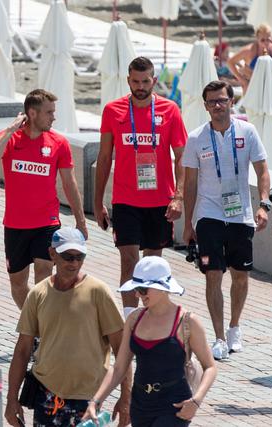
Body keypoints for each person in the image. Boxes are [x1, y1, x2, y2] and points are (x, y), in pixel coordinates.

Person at [5, 227, 130, 426]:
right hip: (46, 396)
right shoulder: (38, 293)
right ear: (52, 254)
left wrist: (126, 398)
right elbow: (22, 350)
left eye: (79, 257)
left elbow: (122, 349)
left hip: (88, 399)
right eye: (68, 257)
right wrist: (12, 399)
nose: (74, 263)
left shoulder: (98, 292)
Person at [182, 80, 271, 360]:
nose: (217, 106)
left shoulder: (248, 131)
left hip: (241, 215)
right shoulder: (197, 137)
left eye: (222, 100)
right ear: (205, 105)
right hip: (208, 215)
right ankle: (219, 337)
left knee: (241, 276)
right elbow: (191, 182)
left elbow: (263, 170)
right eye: (211, 102)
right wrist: (188, 223)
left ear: (231, 102)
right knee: (213, 275)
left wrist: (263, 205)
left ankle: (234, 327)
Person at [95, 56, 187, 318]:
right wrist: (97, 201)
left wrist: (178, 197)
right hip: (125, 200)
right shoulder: (113, 110)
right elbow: (103, 158)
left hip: (159, 200)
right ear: (128, 80)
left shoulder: (170, 110)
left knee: (153, 263)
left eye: (146, 81)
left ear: (154, 80)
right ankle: (128, 319)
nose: (140, 86)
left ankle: (152, 317)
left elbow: (182, 157)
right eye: (135, 81)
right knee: (128, 261)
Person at [0, 89, 87, 309]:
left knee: (43, 274)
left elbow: (70, 183)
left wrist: (81, 221)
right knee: (18, 284)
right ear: (32, 113)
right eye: (49, 112)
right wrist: (12, 128)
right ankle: (34, 324)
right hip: (15, 225)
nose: (54, 117)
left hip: (46, 223)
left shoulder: (59, 142)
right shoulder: (10, 138)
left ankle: (44, 331)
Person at [83, 256, 217, 426]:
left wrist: (196, 401)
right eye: (136, 289)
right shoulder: (134, 319)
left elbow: (210, 367)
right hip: (140, 405)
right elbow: (119, 368)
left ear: (162, 288)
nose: (138, 294)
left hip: (174, 405)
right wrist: (95, 401)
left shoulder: (187, 321)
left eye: (143, 289)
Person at [227, 24, 272, 93]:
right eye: (262, 40)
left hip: (267, 84)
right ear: (257, 38)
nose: (266, 42)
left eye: (268, 39)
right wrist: (242, 80)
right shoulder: (248, 51)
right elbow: (230, 62)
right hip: (250, 83)